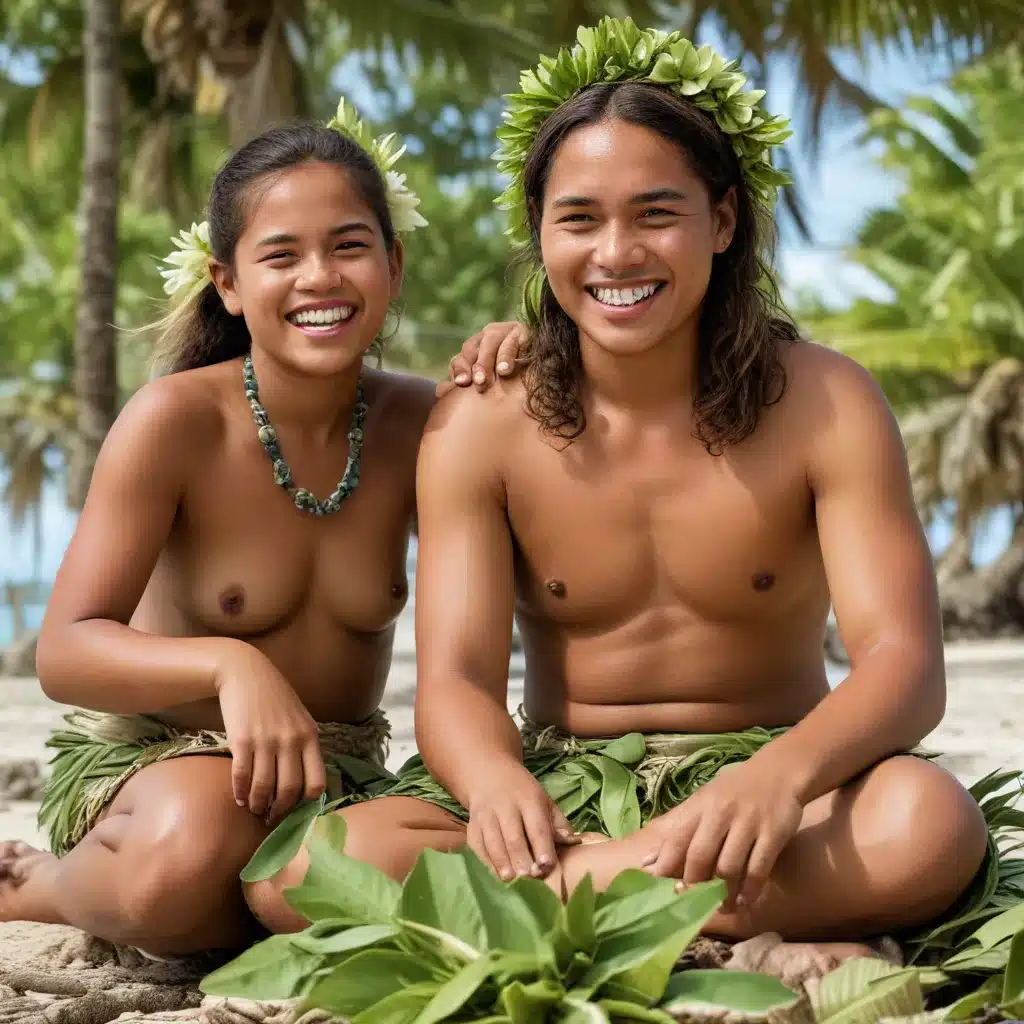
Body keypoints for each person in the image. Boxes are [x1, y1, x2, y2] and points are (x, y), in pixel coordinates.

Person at [254, 19, 1023, 970]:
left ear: (724, 221)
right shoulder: (484, 420)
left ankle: (588, 901)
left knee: (927, 824)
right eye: (578, 219)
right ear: (540, 232)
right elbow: (454, 679)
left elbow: (903, 663)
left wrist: (778, 779)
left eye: (656, 214)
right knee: (298, 870)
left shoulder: (826, 401)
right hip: (563, 783)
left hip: (779, 782)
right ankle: (708, 910)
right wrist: (495, 784)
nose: (616, 254)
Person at [0, 99, 525, 958]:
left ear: (393, 263)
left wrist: (528, 354)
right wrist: (229, 662)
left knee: (294, 881)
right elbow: (64, 652)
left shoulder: (425, 425)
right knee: (185, 858)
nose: (319, 276)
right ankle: (46, 887)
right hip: (164, 763)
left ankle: (251, 901)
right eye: (280, 255)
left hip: (341, 772)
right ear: (230, 284)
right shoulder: (175, 422)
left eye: (349, 245)